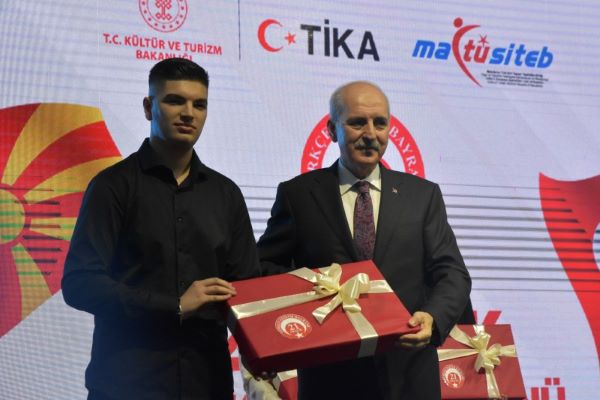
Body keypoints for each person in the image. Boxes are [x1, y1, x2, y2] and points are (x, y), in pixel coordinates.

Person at [257, 81, 472, 399]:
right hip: (330, 376)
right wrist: (313, 288)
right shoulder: (298, 195)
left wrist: (432, 317)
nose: (370, 133)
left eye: (380, 123)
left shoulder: (423, 195)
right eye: (357, 122)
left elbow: (453, 273)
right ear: (332, 130)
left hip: (409, 377)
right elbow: (264, 267)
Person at [62, 58, 260, 400]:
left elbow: (249, 289)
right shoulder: (112, 186)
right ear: (148, 107)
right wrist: (175, 305)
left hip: (207, 383)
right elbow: (80, 284)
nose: (188, 113)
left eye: (199, 104)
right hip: (127, 385)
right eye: (175, 101)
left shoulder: (226, 193)